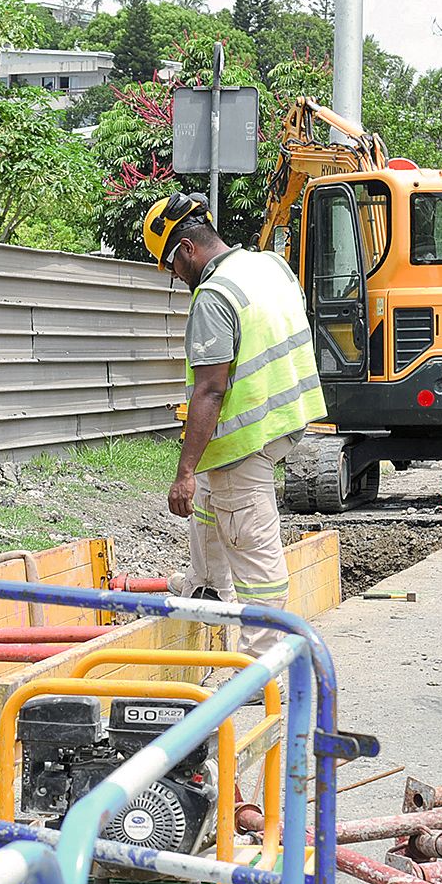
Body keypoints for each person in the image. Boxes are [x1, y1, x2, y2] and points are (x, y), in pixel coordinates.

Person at [142, 192, 326, 660]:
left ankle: (259, 665)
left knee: (254, 549)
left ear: (186, 248)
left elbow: (210, 390)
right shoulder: (269, 266)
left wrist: (183, 471)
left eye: (171, 267)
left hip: (245, 438)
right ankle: (206, 587)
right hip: (283, 418)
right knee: (209, 498)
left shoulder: (214, 296)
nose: (175, 277)